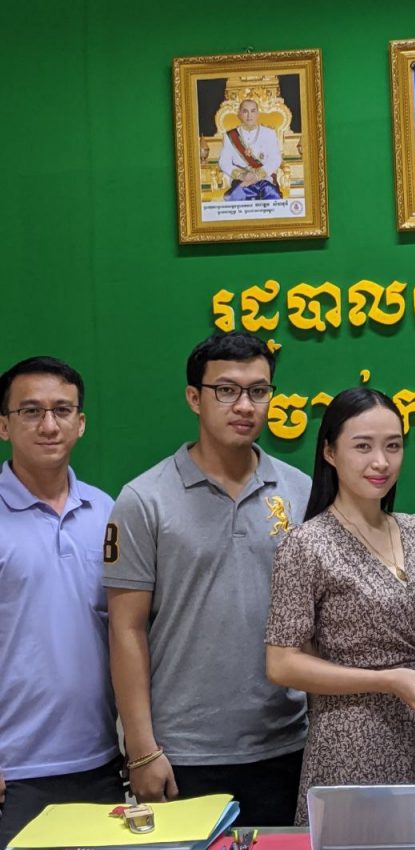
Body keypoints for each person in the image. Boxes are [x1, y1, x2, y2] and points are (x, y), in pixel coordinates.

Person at [103, 332, 310, 827]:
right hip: (183, 752)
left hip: (287, 742)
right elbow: (125, 629)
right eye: (227, 390)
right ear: (194, 398)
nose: (245, 405)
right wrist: (141, 748)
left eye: (259, 391)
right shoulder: (144, 499)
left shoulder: (300, 490)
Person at [265, 388, 415, 825]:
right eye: (363, 446)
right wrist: (385, 680)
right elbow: (281, 664)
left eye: (393, 446)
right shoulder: (306, 545)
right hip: (349, 744)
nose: (381, 462)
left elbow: (393, 628)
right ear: (330, 453)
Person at [0, 357, 122, 848]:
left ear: (81, 422)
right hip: (15, 773)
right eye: (31, 411)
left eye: (62, 410)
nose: (48, 425)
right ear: (4, 425)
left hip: (102, 763)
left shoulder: (107, 511)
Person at [218, 99, 282, 201]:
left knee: (271, 193)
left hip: (264, 179)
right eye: (245, 111)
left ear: (257, 113)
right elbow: (224, 162)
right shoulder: (230, 136)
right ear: (239, 114)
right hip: (241, 181)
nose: (249, 115)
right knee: (236, 195)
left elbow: (275, 159)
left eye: (253, 111)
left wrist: (257, 175)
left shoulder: (269, 133)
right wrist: (242, 175)